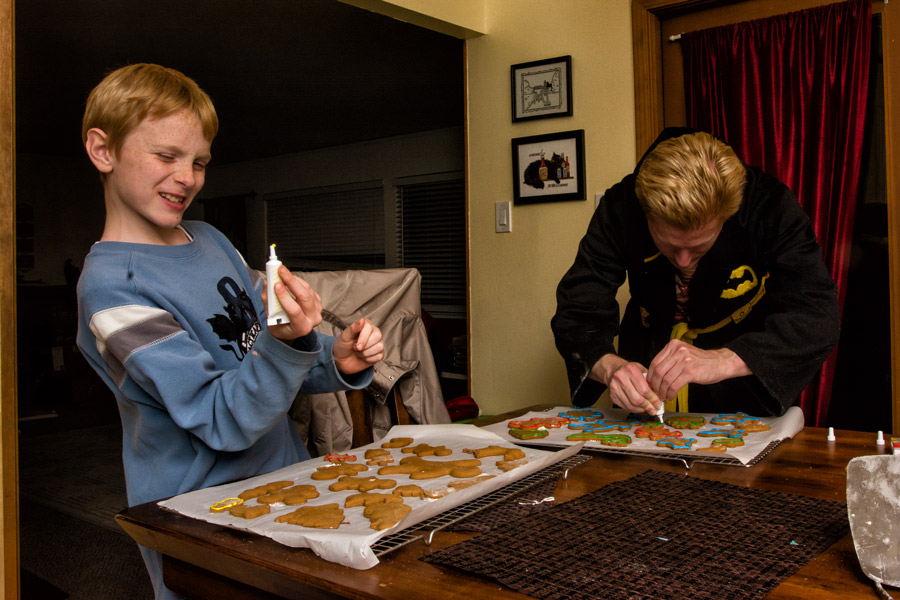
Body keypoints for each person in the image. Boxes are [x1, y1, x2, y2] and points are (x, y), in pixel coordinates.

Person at [76, 63, 385, 599]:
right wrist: (284, 346)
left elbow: (260, 353)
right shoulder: (111, 289)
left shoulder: (211, 239)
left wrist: (334, 358)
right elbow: (224, 420)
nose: (186, 177)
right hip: (203, 516)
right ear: (103, 151)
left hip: (287, 481)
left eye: (199, 162)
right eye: (166, 156)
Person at [551, 128, 840, 418]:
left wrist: (723, 361)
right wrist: (611, 367)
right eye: (670, 245)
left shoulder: (769, 205)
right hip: (647, 359)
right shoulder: (621, 206)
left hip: (740, 363)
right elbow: (578, 311)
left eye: (699, 246)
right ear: (646, 213)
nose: (684, 261)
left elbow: (815, 314)